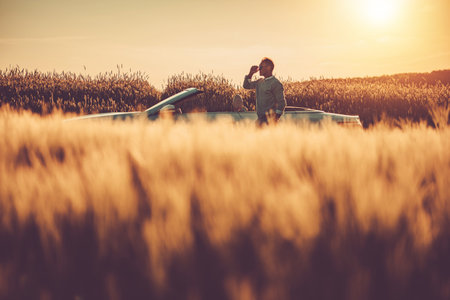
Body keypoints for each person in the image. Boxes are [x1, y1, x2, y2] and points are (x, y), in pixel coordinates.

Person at [243, 57, 286, 126]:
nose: (258, 69)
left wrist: (274, 119)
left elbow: (281, 103)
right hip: (260, 119)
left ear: (268, 68)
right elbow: (246, 85)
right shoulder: (260, 82)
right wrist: (250, 73)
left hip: (269, 120)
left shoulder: (275, 83)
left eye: (260, 67)